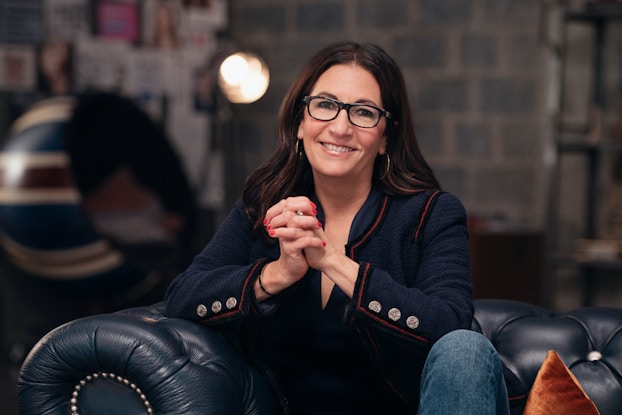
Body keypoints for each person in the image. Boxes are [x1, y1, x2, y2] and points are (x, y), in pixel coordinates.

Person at [165, 41, 524, 414]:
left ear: (386, 137)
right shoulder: (264, 207)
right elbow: (182, 297)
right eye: (325, 105)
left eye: (364, 112)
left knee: (465, 348)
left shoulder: (430, 214)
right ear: (300, 123)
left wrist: (334, 262)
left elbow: (450, 324)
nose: (340, 127)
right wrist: (277, 274)